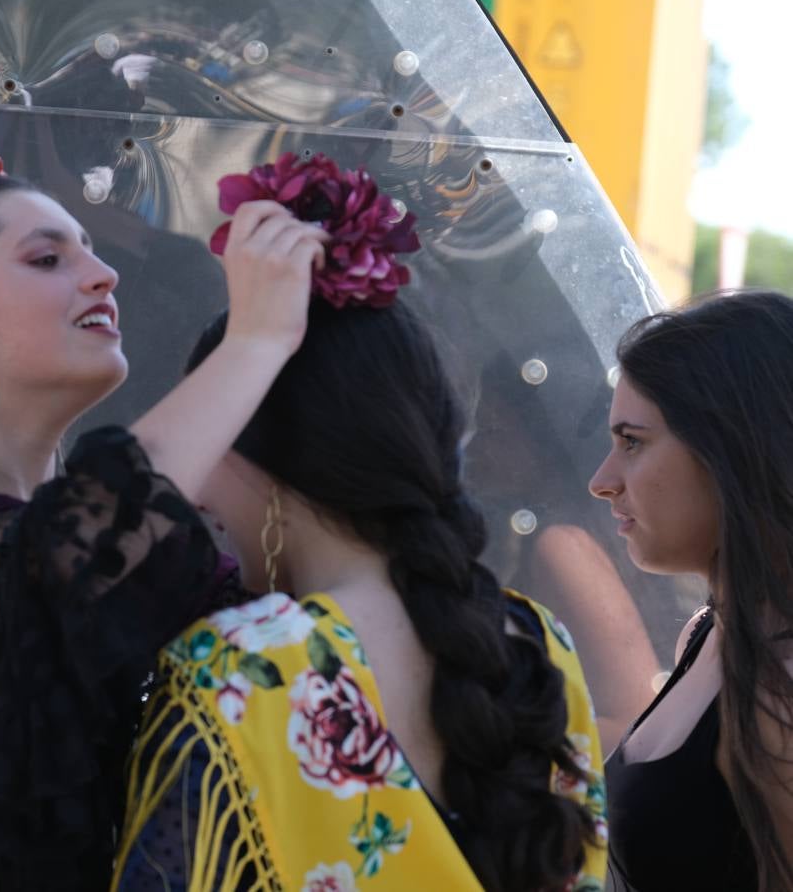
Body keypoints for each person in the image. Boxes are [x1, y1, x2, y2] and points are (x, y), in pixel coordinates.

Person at [0, 134, 330, 891]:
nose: (105, 276)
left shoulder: (142, 541)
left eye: (90, 253)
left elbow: (292, 639)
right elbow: (59, 561)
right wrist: (254, 340)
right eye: (48, 259)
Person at [114, 297, 607, 891]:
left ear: (275, 456)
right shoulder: (538, 641)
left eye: (210, 432)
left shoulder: (238, 669)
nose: (192, 496)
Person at [594, 291, 793, 891]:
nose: (601, 481)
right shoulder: (710, 632)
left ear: (729, 450)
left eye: (632, 441)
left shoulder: (777, 690)